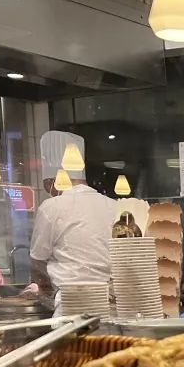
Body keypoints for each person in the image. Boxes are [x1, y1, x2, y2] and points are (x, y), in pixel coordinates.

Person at [30, 131, 118, 309]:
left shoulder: (51, 206)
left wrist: (45, 294)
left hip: (71, 304)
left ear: (51, 182)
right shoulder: (114, 206)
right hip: (113, 302)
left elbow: (38, 262)